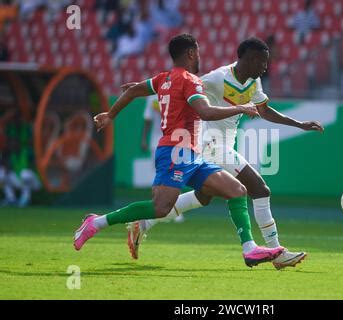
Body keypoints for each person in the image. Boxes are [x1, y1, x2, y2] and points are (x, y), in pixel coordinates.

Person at [73, 34, 284, 268]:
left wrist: (110, 114)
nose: (201, 56)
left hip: (192, 152)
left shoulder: (164, 78)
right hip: (176, 151)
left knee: (236, 190)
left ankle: (250, 249)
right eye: (199, 52)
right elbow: (205, 113)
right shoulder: (190, 80)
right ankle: (96, 222)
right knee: (160, 208)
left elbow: (134, 91)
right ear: (191, 53)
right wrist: (241, 108)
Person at [124, 37, 324, 270]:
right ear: (249, 59)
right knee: (259, 188)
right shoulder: (218, 78)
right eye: (262, 62)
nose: (266, 67)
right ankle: (276, 251)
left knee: (203, 197)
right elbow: (184, 83)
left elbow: (265, 111)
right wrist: (141, 88)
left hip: (225, 145)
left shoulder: (253, 82)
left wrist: (299, 124)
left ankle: (143, 224)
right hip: (210, 144)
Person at [139, 94, 184, 222]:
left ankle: (174, 209)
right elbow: (147, 120)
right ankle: (158, 208)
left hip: (173, 141)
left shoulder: (176, 93)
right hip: (157, 142)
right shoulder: (152, 98)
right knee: (159, 176)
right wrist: (143, 139)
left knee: (174, 175)